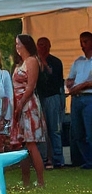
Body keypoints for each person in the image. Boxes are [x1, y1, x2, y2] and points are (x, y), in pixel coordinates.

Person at [10, 34, 46, 187]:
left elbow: (30, 86)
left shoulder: (31, 61)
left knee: (31, 144)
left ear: (25, 45)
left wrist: (20, 105)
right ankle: (26, 181)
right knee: (22, 143)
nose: (17, 46)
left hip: (28, 104)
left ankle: (40, 181)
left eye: (18, 43)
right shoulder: (20, 63)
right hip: (18, 103)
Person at [36, 37, 66, 169]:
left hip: (53, 97)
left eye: (43, 45)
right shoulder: (34, 62)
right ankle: (44, 158)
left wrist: (44, 62)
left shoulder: (56, 62)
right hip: (40, 97)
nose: (40, 47)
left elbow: (55, 78)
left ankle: (58, 158)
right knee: (42, 130)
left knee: (54, 129)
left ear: (49, 46)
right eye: (39, 45)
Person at [66, 31, 92, 169]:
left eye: (86, 42)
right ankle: (88, 160)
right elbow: (70, 78)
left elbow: (88, 83)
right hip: (76, 99)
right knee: (77, 133)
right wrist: (70, 84)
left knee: (90, 132)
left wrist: (83, 85)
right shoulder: (78, 61)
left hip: (89, 98)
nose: (83, 45)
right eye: (81, 42)